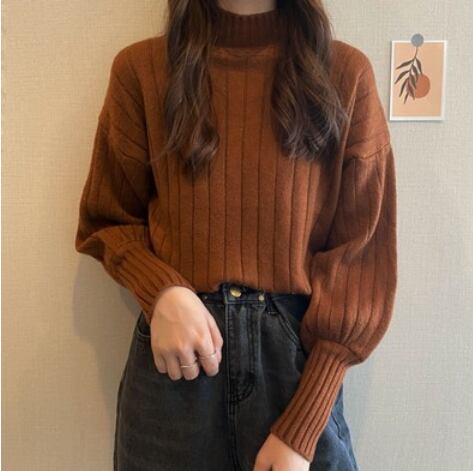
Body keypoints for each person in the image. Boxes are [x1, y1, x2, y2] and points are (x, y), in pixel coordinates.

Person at [74, 1, 397, 470]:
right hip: (176, 371)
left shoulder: (345, 75)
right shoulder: (141, 71)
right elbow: (106, 219)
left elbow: (361, 262)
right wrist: (161, 290)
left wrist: (303, 427)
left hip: (298, 378)